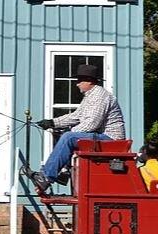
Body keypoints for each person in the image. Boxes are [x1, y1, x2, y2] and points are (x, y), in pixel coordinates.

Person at [31, 64, 125, 192]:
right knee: (66, 135)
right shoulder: (90, 96)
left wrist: (68, 132)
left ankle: (46, 177)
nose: (77, 84)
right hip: (102, 137)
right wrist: (53, 123)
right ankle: (63, 172)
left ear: (89, 81)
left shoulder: (100, 96)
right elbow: (76, 116)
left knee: (68, 137)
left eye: (79, 81)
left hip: (111, 139)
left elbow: (92, 124)